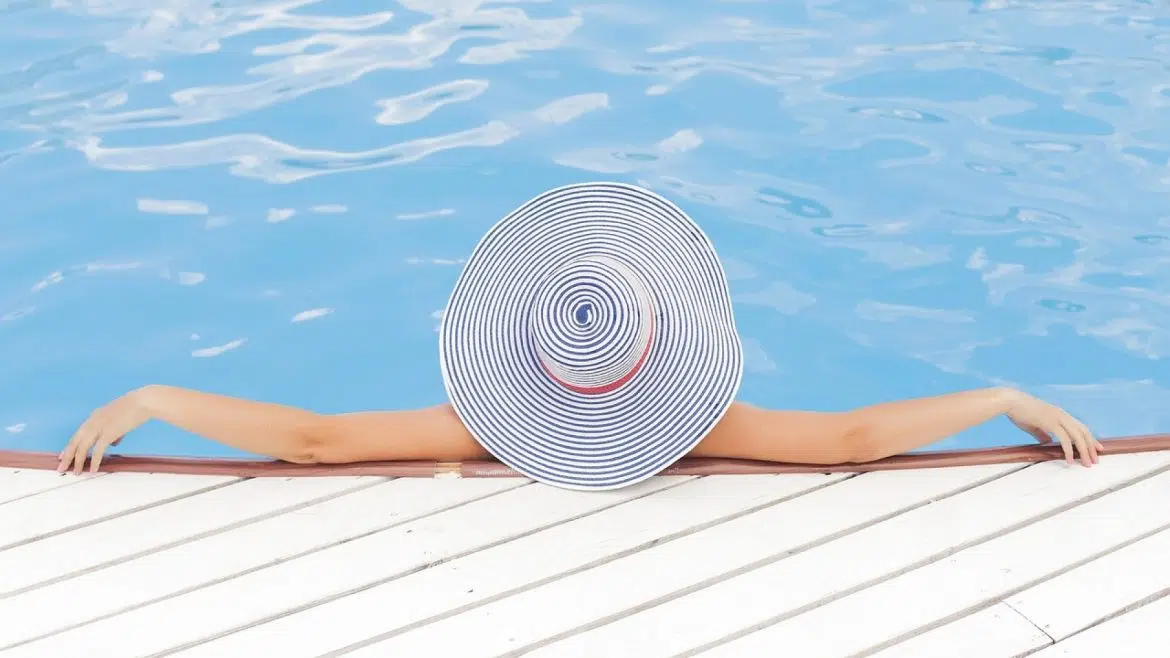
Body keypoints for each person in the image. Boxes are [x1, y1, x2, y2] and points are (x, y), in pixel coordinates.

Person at [56, 183, 1103, 486]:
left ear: (528, 354)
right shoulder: (704, 426)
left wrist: (156, 397)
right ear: (663, 340)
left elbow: (314, 439)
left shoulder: (478, 431)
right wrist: (999, 397)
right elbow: (850, 440)